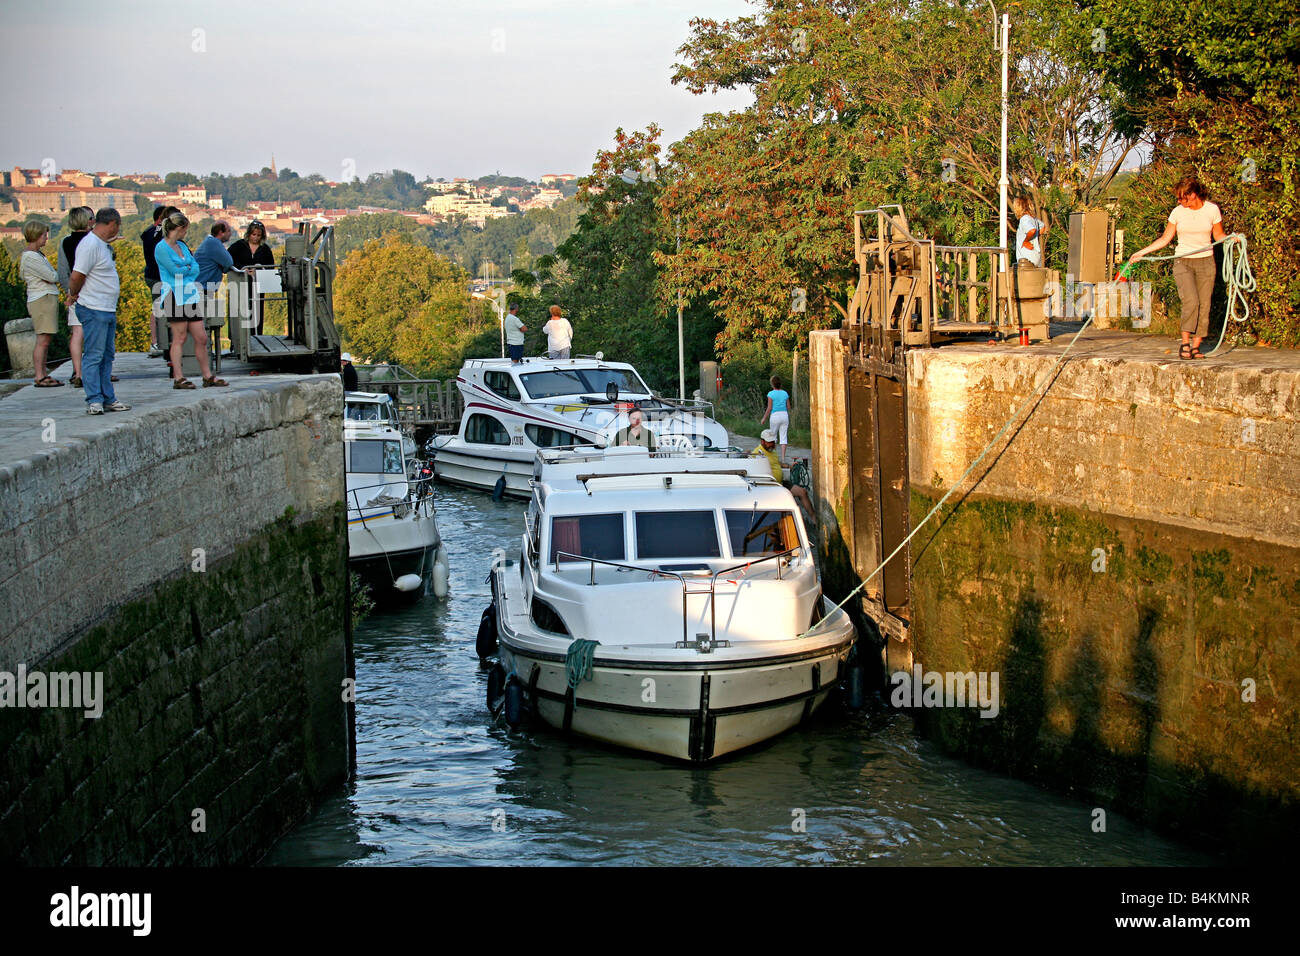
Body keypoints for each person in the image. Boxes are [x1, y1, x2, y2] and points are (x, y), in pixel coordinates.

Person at [1128, 175, 1226, 359]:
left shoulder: (1212, 210)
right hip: (1183, 262)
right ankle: (1185, 343)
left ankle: (1197, 346)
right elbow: (1166, 239)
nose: (1180, 201)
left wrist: (1231, 239)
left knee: (1204, 304)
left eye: (1183, 197)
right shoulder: (1177, 212)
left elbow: (1218, 234)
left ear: (1194, 194)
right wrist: (1142, 252)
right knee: (1191, 301)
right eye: (1178, 198)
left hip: (1206, 262)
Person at [68, 208, 129, 414]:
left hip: (106, 307)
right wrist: (72, 294)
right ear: (112, 223)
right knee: (94, 355)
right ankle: (94, 399)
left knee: (107, 356)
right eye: (117, 226)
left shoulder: (101, 244)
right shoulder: (90, 245)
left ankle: (107, 397)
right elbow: (77, 275)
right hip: (94, 307)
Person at [155, 212, 227, 389]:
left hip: (190, 293)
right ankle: (179, 377)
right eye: (184, 230)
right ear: (178, 229)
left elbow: (195, 268)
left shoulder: (181, 246)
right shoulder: (161, 248)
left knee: (201, 337)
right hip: (174, 295)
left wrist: (185, 269)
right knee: (179, 337)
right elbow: (174, 271)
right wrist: (186, 269)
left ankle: (207, 375)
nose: (185, 234)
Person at [18, 221, 62, 387]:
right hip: (42, 298)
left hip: (44, 298)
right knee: (42, 339)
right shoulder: (31, 257)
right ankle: (40, 375)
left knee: (45, 339)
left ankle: (43, 373)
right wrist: (52, 275)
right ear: (36, 236)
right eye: (44, 235)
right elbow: (53, 277)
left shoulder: (36, 255)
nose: (46, 239)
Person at [751, 429, 817, 525]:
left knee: (802, 492)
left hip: (780, 483)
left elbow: (777, 463)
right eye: (769, 442)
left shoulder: (772, 451)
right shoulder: (756, 453)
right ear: (762, 441)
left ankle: (814, 519)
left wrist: (789, 466)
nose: (772, 444)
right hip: (770, 487)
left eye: (773, 442)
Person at [58, 206, 92, 386]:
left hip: (75, 293)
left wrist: (71, 292)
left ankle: (78, 373)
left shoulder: (65, 242)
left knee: (77, 333)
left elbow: (63, 272)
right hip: (93, 293)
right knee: (96, 334)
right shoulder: (95, 241)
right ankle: (98, 372)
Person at [143, 205, 179, 355]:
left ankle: (156, 342)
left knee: (157, 308)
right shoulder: (166, 235)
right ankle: (168, 342)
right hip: (163, 276)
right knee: (168, 309)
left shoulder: (148, 233)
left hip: (151, 274)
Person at [229, 220, 275, 335]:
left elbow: (270, 267)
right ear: (249, 234)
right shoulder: (239, 246)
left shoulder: (265, 249)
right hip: (240, 284)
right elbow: (229, 260)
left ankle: (257, 336)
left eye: (259, 235)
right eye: (254, 234)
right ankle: (240, 337)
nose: (256, 238)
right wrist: (242, 268)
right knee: (241, 311)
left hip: (257, 286)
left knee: (257, 311)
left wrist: (258, 271)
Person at [195, 221, 236, 346]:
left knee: (206, 323)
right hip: (203, 289)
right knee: (205, 323)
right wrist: (222, 267)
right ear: (221, 232)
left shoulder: (210, 241)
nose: (231, 234)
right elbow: (228, 262)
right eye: (229, 231)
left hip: (204, 288)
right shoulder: (213, 243)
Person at [759, 375, 791, 465]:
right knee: (783, 437)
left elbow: (769, 408)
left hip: (775, 416)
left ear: (772, 384)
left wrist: (764, 418)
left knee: (773, 437)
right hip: (784, 415)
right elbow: (789, 407)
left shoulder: (771, 394)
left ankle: (774, 457)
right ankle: (783, 459)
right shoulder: (785, 393)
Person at [1013, 195, 1047, 268]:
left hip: (1026, 260)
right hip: (1036, 257)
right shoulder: (1033, 219)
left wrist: (1026, 241)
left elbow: (1032, 230)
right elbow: (1043, 227)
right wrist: (1034, 238)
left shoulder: (1024, 219)